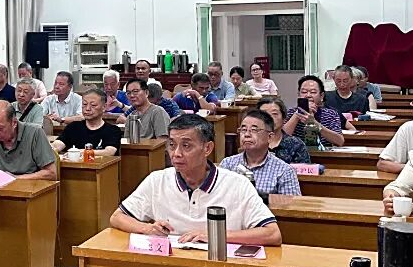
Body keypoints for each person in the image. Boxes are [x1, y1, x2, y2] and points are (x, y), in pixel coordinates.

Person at [109, 114, 282, 246]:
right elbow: (117, 217)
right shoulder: (157, 180)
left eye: (186, 146)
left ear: (207, 148)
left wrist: (215, 236)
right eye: (172, 145)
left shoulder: (237, 184)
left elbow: (273, 234)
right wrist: (147, 228)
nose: (176, 154)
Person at [220, 109, 301, 196]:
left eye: (254, 130)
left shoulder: (284, 171)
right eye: (243, 130)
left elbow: (290, 204)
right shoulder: (227, 164)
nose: (247, 134)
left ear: (270, 137)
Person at [283, 75, 348, 148]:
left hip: (322, 153)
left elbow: (340, 141)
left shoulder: (331, 114)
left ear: (321, 96)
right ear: (299, 95)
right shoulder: (291, 112)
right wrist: (297, 114)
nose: (308, 95)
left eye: (313, 92)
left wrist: (315, 124)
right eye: (304, 92)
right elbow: (281, 138)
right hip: (296, 153)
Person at [52, 89, 122, 156]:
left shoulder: (112, 130)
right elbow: (58, 144)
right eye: (84, 104)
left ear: (104, 107)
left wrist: (82, 152)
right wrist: (52, 148)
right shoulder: (73, 127)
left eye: (93, 105)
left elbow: (109, 152)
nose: (87, 108)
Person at [257, 97, 312, 165]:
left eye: (274, 114)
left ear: (284, 118)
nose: (269, 118)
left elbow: (304, 170)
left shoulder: (296, 144)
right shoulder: (251, 142)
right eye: (264, 114)